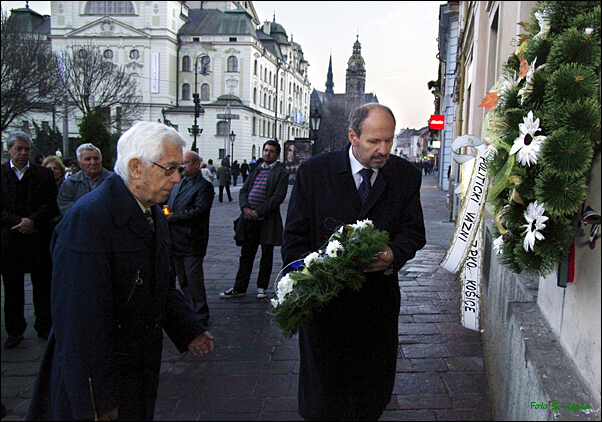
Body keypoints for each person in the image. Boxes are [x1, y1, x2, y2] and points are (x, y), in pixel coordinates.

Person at [26, 121, 214, 421]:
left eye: (179, 168)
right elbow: (78, 322)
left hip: (136, 369)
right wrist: (97, 399)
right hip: (105, 379)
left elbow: (159, 284)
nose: (178, 178)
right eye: (169, 168)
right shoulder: (90, 218)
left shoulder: (151, 209)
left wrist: (188, 328)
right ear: (136, 167)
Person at [281, 103, 426, 421]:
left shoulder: (404, 176)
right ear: (352, 136)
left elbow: (414, 233)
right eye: (375, 141)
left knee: (370, 394)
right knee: (325, 395)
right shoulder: (314, 173)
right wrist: (307, 282)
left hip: (376, 307)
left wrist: (393, 255)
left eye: (388, 140)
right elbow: (293, 239)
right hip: (324, 308)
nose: (384, 150)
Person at [1, 132, 58, 349]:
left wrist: (33, 221)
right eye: (19, 149)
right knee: (12, 288)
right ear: (9, 149)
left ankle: (44, 327)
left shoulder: (42, 174)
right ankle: (14, 331)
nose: (23, 153)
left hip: (37, 237)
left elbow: (51, 203)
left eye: (27, 149)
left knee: (42, 286)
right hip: (10, 239)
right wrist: (18, 221)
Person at [220, 140, 288, 299]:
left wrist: (258, 212)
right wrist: (245, 208)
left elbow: (277, 197)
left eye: (271, 151)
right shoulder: (256, 170)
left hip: (267, 220)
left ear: (277, 154)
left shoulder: (280, 173)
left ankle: (262, 287)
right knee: (246, 255)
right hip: (249, 220)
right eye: (265, 150)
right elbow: (244, 190)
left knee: (266, 254)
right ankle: (239, 287)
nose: (267, 153)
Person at [165, 151, 214, 326]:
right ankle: (189, 310)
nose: (182, 166)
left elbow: (200, 211)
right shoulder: (180, 181)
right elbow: (170, 201)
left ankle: (200, 314)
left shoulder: (203, 186)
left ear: (195, 164)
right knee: (182, 278)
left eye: (185, 163)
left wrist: (174, 216)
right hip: (175, 238)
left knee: (193, 278)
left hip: (192, 239)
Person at [57, 143, 112, 216]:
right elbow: (67, 210)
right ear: (79, 163)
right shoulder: (69, 184)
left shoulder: (113, 181)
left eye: (96, 158)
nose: (93, 162)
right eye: (87, 159)